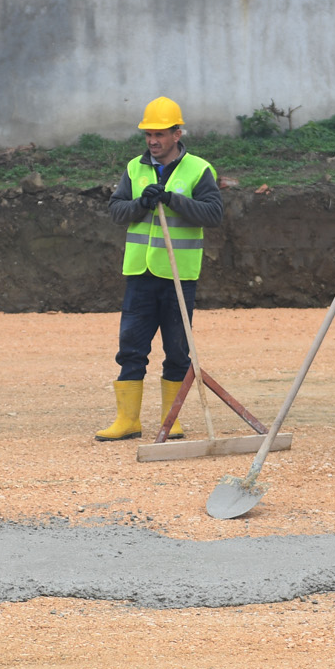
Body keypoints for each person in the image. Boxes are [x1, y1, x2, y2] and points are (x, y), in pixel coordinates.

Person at [95, 97, 225, 441]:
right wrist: (141, 203)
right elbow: (116, 211)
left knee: (177, 350)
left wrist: (172, 200)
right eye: (148, 134)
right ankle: (128, 421)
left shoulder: (199, 169)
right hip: (141, 274)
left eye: (160, 134)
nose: (153, 141)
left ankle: (173, 419)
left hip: (179, 276)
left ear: (177, 133)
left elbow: (213, 214)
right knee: (131, 348)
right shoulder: (134, 169)